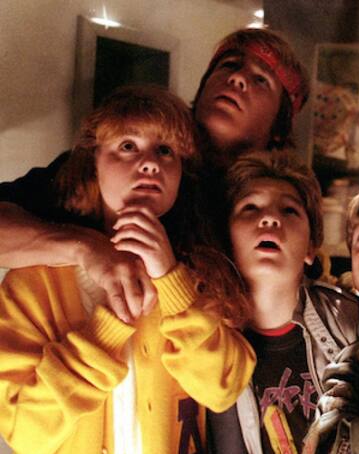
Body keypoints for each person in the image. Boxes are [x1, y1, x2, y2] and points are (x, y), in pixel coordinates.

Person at [0, 86, 256, 454]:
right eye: (127, 146)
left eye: (166, 151)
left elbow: (223, 386)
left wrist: (170, 280)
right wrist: (108, 329)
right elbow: (28, 432)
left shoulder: (200, 274)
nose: (150, 163)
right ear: (93, 161)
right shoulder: (32, 285)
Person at [0, 28, 309, 324]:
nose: (237, 78)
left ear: (279, 128)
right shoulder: (109, 169)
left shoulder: (277, 202)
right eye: (229, 65)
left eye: (260, 79)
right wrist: (87, 247)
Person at [206, 151, 359, 454]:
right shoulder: (206, 342)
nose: (270, 218)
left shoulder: (350, 323)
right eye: (250, 208)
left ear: (310, 247)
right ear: (227, 237)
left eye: (289, 210)